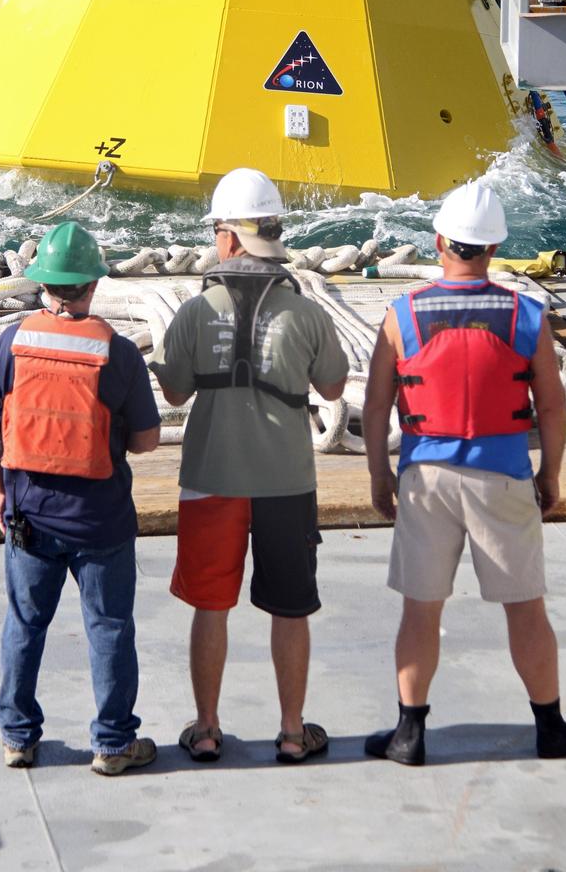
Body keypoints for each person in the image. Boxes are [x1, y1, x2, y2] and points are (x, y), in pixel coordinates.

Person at [362, 181, 566, 766]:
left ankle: (409, 734)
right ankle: (551, 728)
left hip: (425, 478)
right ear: (493, 249)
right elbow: (552, 405)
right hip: (504, 475)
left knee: (421, 610)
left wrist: (379, 477)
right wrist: (551, 475)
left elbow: (375, 403)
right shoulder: (526, 314)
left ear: (439, 241)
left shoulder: (402, 314)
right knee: (526, 607)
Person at [149, 168, 349, 764]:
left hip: (212, 477)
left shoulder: (193, 310)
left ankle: (207, 728)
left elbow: (176, 393)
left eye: (217, 230)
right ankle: (291, 732)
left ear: (232, 238)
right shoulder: (306, 312)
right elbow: (335, 387)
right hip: (287, 481)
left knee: (212, 604)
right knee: (290, 607)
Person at [0, 221, 161, 776]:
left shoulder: (11, 344)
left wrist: (2, 495)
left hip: (28, 515)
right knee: (109, 627)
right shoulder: (118, 353)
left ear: (42, 285)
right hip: (100, 520)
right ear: (92, 286)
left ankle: (17, 738)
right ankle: (113, 744)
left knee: (24, 624)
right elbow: (148, 440)